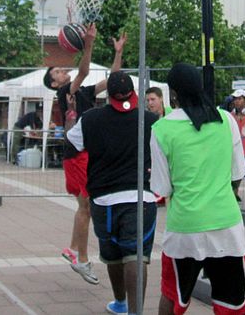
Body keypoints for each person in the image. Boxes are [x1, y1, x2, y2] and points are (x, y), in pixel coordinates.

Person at [151, 63, 245, 315]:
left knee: (172, 295)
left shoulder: (162, 129)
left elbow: (163, 187)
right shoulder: (226, 119)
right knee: (237, 302)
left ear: (172, 93)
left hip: (184, 227)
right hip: (226, 225)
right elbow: (237, 174)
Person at [65, 71, 158, 315]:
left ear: (108, 97)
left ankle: (120, 303)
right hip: (141, 197)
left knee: (114, 255)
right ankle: (135, 311)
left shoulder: (90, 118)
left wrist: (72, 116)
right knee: (136, 256)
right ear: (134, 94)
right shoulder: (150, 120)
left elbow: (72, 142)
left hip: (104, 199)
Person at [42, 23, 126, 285]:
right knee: (86, 206)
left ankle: (71, 249)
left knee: (85, 206)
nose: (62, 71)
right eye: (58, 71)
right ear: (54, 82)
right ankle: (81, 258)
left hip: (86, 153)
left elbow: (112, 80)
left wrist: (118, 53)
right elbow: (85, 70)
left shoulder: (85, 92)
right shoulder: (63, 91)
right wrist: (88, 43)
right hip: (77, 153)